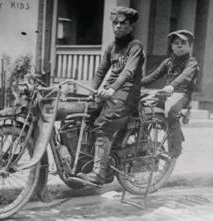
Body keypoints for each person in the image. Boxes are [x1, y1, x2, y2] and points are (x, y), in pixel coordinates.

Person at [78, 6, 145, 184]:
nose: (118, 26)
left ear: (130, 26)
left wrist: (112, 88)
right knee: (85, 113)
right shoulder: (111, 46)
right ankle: (84, 162)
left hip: (127, 92)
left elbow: (129, 72)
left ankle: (99, 173)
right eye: (115, 23)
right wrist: (92, 91)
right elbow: (101, 71)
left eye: (123, 23)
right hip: (111, 90)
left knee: (103, 124)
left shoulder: (135, 46)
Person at [141, 29, 199, 158]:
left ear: (190, 46)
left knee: (172, 111)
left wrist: (172, 85)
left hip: (182, 94)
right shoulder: (168, 62)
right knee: (143, 109)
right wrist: (136, 84)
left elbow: (184, 76)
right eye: (176, 43)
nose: (179, 45)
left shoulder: (191, 62)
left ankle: (175, 148)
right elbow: (154, 76)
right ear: (172, 46)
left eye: (183, 43)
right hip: (167, 92)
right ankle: (143, 144)